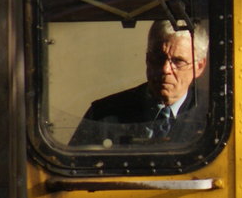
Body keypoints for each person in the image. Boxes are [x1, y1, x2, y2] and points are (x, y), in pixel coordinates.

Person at [68, 18, 208, 147]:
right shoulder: (103, 114)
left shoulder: (215, 115)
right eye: (158, 58)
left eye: (178, 61)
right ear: (147, 59)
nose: (165, 69)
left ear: (200, 66)